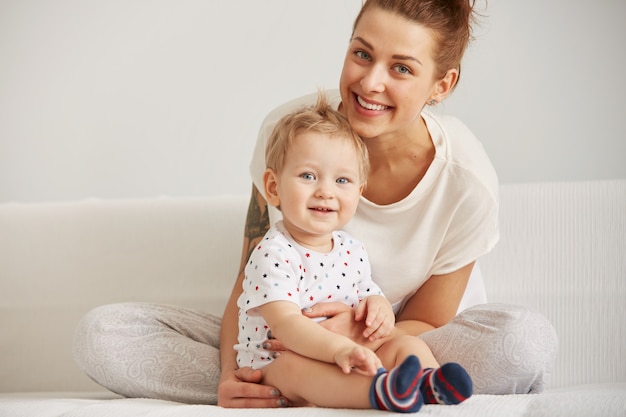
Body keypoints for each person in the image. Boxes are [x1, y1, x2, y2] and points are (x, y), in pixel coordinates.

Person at [72, 0, 557, 408]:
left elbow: (430, 319)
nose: (370, 83)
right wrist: (229, 374)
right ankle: (295, 384)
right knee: (104, 335)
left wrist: (348, 336)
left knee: (524, 343)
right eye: (362, 54)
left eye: (402, 68)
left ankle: (355, 384)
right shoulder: (291, 133)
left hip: (401, 338)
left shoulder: (466, 181)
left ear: (442, 84)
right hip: (282, 337)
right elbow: (251, 281)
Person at [235, 92, 472, 412]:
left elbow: (367, 296)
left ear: (359, 192)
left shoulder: (351, 249)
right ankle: (382, 393)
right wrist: (337, 351)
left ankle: (429, 384)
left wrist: (379, 309)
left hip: (347, 353)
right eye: (308, 176)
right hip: (276, 363)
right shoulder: (273, 253)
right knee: (295, 369)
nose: (325, 191)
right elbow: (287, 326)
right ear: (273, 187)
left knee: (406, 344)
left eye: (342, 180)